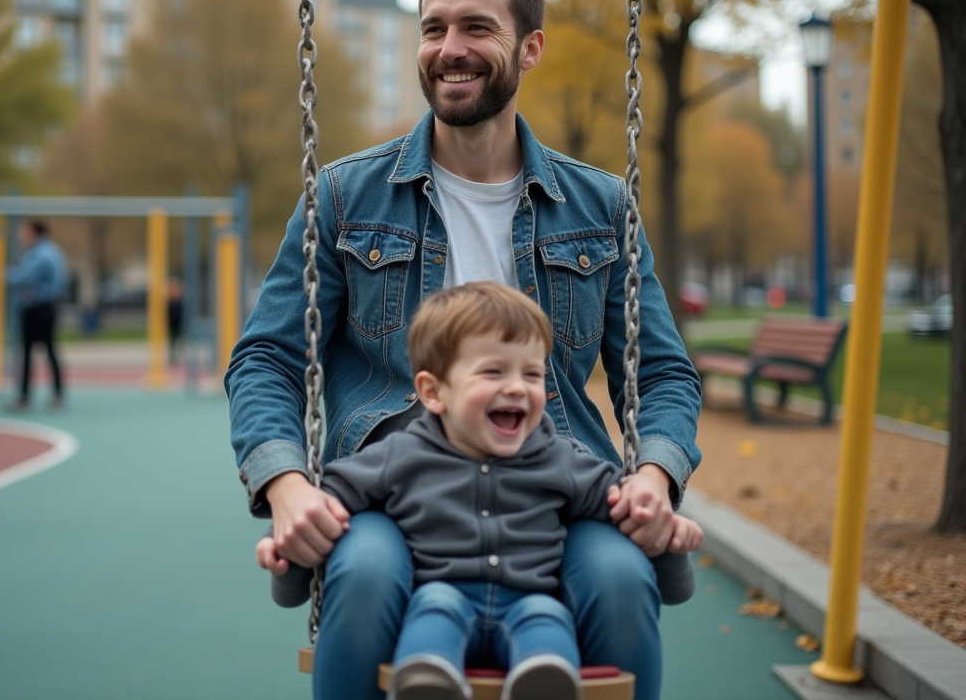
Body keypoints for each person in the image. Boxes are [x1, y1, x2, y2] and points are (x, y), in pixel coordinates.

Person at [225, 0, 702, 700]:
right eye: (434, 28)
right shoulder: (347, 197)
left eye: (477, 28)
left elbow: (662, 372)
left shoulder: (601, 207)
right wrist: (287, 487)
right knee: (367, 570)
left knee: (618, 578)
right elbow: (267, 359)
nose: (451, 48)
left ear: (530, 46)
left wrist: (653, 475)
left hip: (557, 484)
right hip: (394, 486)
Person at [256, 283, 704, 700]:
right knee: (433, 612)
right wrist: (289, 558)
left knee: (548, 625)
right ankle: (430, 680)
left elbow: (625, 510)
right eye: (493, 371)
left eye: (532, 375)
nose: (515, 386)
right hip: (441, 595)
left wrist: (667, 539)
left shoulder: (560, 458)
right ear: (433, 393)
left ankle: (542, 682)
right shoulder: (398, 455)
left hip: (531, 601)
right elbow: (323, 513)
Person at [5, 219, 68, 410]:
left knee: (30, 352)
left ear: (35, 232)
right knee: (48, 350)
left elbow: (23, 278)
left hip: (37, 307)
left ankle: (25, 397)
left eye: (25, 231)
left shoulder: (40, 254)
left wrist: (5, 275)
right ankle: (56, 394)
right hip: (45, 307)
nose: (22, 236)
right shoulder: (53, 251)